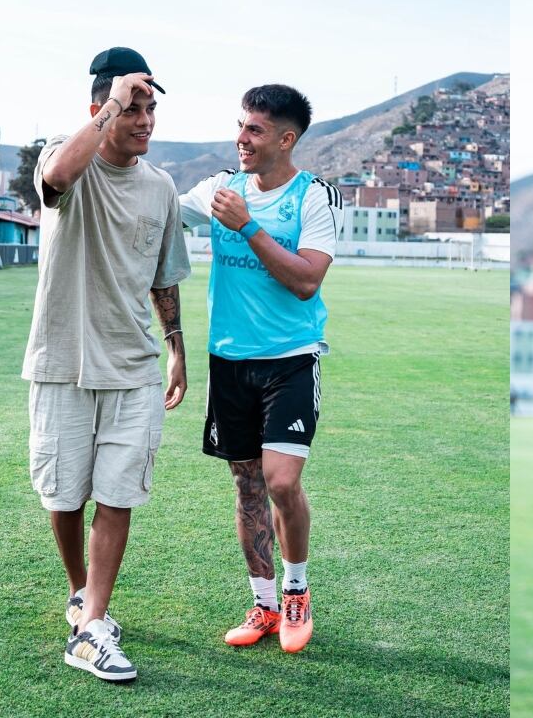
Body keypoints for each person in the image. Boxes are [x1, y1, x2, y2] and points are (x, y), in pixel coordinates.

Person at [27, 47, 190, 682]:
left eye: (151, 109)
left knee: (118, 495)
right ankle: (81, 594)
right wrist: (113, 98)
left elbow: (163, 277)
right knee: (64, 494)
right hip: (62, 362)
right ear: (102, 109)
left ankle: (92, 621)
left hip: (134, 368)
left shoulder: (162, 188)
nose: (145, 121)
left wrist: (176, 349)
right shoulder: (65, 156)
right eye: (134, 108)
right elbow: (58, 181)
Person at [179, 84, 340, 653]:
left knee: (281, 481)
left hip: (291, 361)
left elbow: (305, 282)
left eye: (254, 130)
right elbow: (156, 206)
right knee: (247, 485)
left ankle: (296, 592)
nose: (241, 139)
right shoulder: (220, 188)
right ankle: (264, 604)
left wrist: (247, 225)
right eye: (241, 126)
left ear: (286, 139)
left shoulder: (315, 197)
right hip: (228, 363)